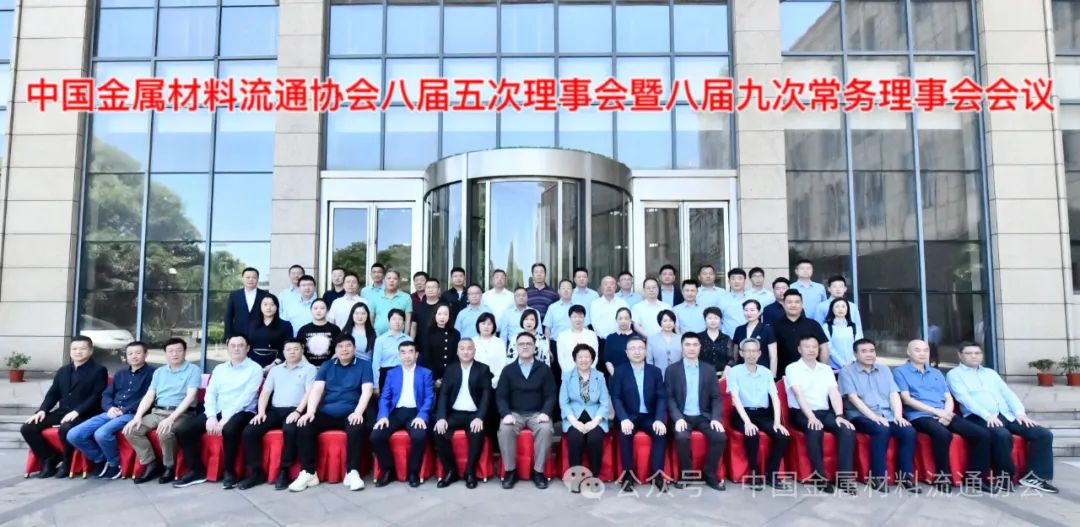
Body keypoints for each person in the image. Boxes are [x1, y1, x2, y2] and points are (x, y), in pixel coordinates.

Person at [947, 342, 1058, 493]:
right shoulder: (954, 375)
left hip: (1006, 414)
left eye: (977, 353)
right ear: (960, 355)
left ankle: (1035, 477)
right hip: (978, 416)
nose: (974, 356)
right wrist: (987, 415)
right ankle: (1004, 478)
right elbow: (964, 399)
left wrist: (1020, 413)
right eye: (969, 353)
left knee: (1043, 434)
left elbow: (1008, 394)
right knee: (1002, 435)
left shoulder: (990, 373)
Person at [894, 339, 994, 494]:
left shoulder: (936, 373)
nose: (922, 354)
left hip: (944, 413)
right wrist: (937, 412)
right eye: (917, 350)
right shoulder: (900, 372)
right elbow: (907, 399)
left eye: (925, 350)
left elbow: (948, 397)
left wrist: (947, 413)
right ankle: (942, 477)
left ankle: (976, 477)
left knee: (981, 434)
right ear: (908, 352)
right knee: (943, 434)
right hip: (919, 415)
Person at [286, 334, 375, 492]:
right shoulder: (327, 365)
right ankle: (309, 472)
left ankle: (352, 472)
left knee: (357, 426)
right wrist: (310, 411)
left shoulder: (364, 365)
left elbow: (367, 391)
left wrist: (358, 412)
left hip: (351, 412)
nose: (344, 349)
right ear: (335, 350)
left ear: (354, 348)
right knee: (304, 425)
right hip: (327, 412)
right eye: (340, 346)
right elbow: (317, 389)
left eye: (348, 346)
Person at [172, 335, 262, 488]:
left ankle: (230, 471)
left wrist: (226, 418)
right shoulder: (219, 369)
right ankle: (196, 471)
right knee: (184, 430)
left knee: (229, 429)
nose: (236, 348)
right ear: (227, 348)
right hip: (219, 409)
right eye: (233, 345)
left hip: (243, 411)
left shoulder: (255, 369)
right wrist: (211, 416)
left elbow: (246, 397)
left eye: (241, 345)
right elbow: (211, 393)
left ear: (248, 348)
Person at [838, 339, 919, 493]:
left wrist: (898, 415)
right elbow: (853, 398)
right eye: (864, 351)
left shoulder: (884, 369)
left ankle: (905, 478)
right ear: (855, 354)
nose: (869, 354)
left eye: (872, 351)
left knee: (908, 431)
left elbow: (893, 394)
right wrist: (874, 417)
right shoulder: (847, 372)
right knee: (881, 430)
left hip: (887, 414)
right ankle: (877, 477)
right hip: (861, 416)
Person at [22, 336, 107, 479]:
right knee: (28, 427)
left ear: (91, 351)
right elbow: (53, 393)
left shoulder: (99, 370)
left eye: (82, 349)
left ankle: (67, 464)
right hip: (63, 411)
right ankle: (49, 459)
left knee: (66, 428)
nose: (78, 352)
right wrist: (42, 410)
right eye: (74, 349)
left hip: (86, 413)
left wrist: (77, 411)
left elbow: (97, 395)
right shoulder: (63, 370)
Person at [67, 341, 154, 480]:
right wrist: (109, 407)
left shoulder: (153, 373)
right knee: (74, 434)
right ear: (126, 356)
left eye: (138, 353)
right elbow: (107, 394)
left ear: (146, 354)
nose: (134, 356)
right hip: (111, 412)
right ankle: (100, 459)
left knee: (101, 434)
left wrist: (124, 410)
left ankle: (114, 464)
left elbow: (147, 398)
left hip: (132, 414)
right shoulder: (120, 373)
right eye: (130, 353)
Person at [238, 339, 317, 490]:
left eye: (296, 349)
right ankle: (256, 473)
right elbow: (265, 392)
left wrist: (298, 411)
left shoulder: (310, 369)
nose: (292, 352)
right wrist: (261, 412)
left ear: (302, 350)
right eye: (289, 349)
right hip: (274, 410)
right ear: (283, 352)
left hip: (296, 410)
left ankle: (284, 471)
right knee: (250, 431)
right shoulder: (275, 370)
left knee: (290, 430)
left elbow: (310, 392)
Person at [123, 338, 202, 484]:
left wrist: (171, 418)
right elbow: (149, 395)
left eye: (178, 350)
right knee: (131, 430)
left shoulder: (193, 370)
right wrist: (138, 416)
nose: (175, 354)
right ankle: (151, 463)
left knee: (165, 432)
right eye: (170, 351)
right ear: (165, 354)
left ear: (185, 352)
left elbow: (190, 397)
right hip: (157, 412)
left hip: (182, 413)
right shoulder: (159, 372)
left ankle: (169, 467)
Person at [784, 335, 856, 494]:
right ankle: (819, 476)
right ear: (799, 349)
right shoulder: (792, 368)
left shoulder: (826, 369)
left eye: (814, 347)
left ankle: (844, 478)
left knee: (847, 430)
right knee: (815, 429)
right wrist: (811, 416)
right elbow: (798, 394)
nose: (811, 350)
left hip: (824, 412)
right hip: (801, 412)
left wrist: (839, 415)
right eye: (807, 347)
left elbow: (834, 392)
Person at [726, 338, 790, 490]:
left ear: (760, 353)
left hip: (763, 414)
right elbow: (735, 398)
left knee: (782, 436)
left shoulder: (766, 372)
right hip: (741, 413)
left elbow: (775, 397)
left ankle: (771, 474)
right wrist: (747, 422)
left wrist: (777, 422)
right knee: (752, 434)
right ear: (741, 353)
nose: (751, 354)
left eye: (754, 351)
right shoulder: (734, 372)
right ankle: (754, 473)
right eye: (747, 351)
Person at [496, 332, 557, 489]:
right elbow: (501, 396)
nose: (525, 346)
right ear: (516, 347)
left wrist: (545, 412)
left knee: (545, 430)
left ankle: (538, 472)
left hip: (537, 414)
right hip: (514, 414)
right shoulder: (508, 370)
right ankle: (510, 471)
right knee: (505, 430)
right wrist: (506, 414)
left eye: (528, 344)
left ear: (534, 347)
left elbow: (551, 395)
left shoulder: (543, 369)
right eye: (521, 344)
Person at [666, 333, 726, 492]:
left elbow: (716, 397)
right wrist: (678, 418)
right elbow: (669, 397)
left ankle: (709, 474)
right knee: (681, 437)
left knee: (720, 437)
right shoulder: (672, 370)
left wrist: (715, 418)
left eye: (695, 345)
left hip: (703, 416)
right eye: (687, 344)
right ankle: (687, 474)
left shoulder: (709, 369)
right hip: (683, 416)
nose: (691, 348)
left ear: (700, 347)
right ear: (681, 347)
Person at [371, 342, 435, 487]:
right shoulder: (392, 373)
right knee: (376, 436)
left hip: (416, 412)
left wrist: (422, 416)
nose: (407, 356)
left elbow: (429, 398)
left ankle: (413, 472)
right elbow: (385, 397)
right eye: (403, 352)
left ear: (416, 355)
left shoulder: (425, 373)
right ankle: (388, 470)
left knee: (419, 436)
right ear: (399, 355)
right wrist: (383, 416)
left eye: (410, 351)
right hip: (395, 412)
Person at [610, 336, 668, 492]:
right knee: (625, 433)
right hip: (629, 416)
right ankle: (628, 476)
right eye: (633, 348)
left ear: (646, 351)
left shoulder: (655, 371)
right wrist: (623, 418)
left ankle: (657, 476)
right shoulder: (620, 371)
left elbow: (661, 397)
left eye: (640, 348)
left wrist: (659, 419)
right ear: (626, 352)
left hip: (649, 416)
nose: (637, 352)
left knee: (660, 433)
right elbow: (616, 397)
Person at [433, 339, 493, 489]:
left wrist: (480, 417)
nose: (466, 352)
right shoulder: (451, 369)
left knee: (477, 432)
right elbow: (444, 394)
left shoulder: (483, 369)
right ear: (457, 351)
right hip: (455, 413)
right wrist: (441, 417)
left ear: (474, 351)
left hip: (474, 414)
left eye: (469, 348)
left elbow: (486, 396)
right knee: (438, 431)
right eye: (462, 348)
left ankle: (470, 472)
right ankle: (451, 471)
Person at [559, 344, 610, 489]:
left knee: (595, 439)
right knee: (575, 438)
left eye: (587, 357)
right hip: (574, 416)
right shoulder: (567, 376)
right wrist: (574, 422)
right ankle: (575, 478)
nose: (583, 360)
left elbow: (604, 402)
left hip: (595, 417)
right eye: (580, 357)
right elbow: (563, 402)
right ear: (575, 359)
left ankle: (594, 477)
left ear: (592, 359)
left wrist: (595, 422)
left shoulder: (599, 376)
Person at [772, 289, 830, 375]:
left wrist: (822, 370)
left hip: (811, 373)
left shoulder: (813, 324)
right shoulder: (774, 326)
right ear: (783, 304)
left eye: (797, 302)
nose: (793, 305)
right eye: (789, 302)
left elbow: (824, 348)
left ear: (802, 304)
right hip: (784, 374)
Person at [247, 294, 294, 371]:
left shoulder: (286, 325)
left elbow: (288, 347)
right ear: (260, 306)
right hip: (253, 366)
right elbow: (247, 346)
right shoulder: (251, 325)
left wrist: (274, 364)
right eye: (265, 304)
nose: (268, 307)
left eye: (272, 304)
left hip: (277, 366)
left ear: (277, 307)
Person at [731, 300, 777, 372]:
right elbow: (735, 355)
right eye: (746, 310)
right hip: (742, 370)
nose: (749, 313)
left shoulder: (767, 329)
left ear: (759, 312)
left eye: (752, 310)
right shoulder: (739, 329)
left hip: (762, 370)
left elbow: (773, 357)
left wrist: (772, 376)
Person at [372, 309, 413, 391]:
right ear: (389, 321)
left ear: (404, 322)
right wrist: (376, 384)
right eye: (394, 319)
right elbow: (376, 363)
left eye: (400, 319)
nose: (397, 322)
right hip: (386, 374)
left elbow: (412, 361)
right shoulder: (380, 340)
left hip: (404, 373)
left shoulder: (409, 339)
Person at [225, 267, 268, 339]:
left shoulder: (265, 295)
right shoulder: (234, 295)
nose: (250, 280)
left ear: (258, 279)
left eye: (254, 277)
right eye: (248, 277)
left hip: (260, 335)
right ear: (242, 279)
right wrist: (228, 336)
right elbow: (229, 316)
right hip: (239, 336)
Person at [296, 298, 341, 367]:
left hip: (330, 367)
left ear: (327, 311)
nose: (318, 311)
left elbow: (340, 349)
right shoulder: (303, 329)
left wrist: (327, 366)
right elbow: (298, 350)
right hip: (307, 367)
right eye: (315, 308)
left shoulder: (335, 329)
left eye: (322, 308)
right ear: (311, 310)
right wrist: (309, 367)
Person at [423, 303, 461, 384]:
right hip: (434, 376)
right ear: (435, 315)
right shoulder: (429, 332)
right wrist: (434, 378)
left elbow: (457, 357)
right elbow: (427, 357)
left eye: (445, 314)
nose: (442, 317)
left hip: (452, 375)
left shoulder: (455, 333)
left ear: (449, 316)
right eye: (439, 314)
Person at [556, 305, 599, 375]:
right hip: (569, 373)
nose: (577, 319)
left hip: (589, 374)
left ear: (584, 318)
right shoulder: (562, 336)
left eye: (580, 316)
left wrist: (587, 372)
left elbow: (595, 356)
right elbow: (561, 358)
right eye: (574, 317)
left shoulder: (592, 335)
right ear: (570, 318)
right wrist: (569, 374)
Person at [368, 270, 413, 336]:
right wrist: (372, 335)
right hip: (378, 336)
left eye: (395, 278)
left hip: (398, 337)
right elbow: (371, 318)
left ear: (399, 281)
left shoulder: (406, 297)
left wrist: (405, 336)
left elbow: (408, 320)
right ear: (384, 281)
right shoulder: (375, 297)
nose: (391, 281)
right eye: (389, 278)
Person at [822, 298, 862, 370]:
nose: (840, 309)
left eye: (843, 306)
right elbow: (829, 348)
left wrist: (852, 362)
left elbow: (859, 346)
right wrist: (842, 364)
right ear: (832, 309)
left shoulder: (854, 327)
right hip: (834, 367)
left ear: (847, 309)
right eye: (837, 306)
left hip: (854, 366)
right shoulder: (826, 327)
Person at [543, 279, 585, 344]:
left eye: (568, 288)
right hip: (556, 342)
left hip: (576, 343)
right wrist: (547, 347)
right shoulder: (552, 307)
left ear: (573, 291)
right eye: (563, 288)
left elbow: (585, 326)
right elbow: (547, 329)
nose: (566, 290)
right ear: (559, 291)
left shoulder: (579, 306)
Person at [602, 308, 641, 376]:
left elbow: (641, 359)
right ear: (616, 320)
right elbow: (608, 361)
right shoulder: (610, 338)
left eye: (626, 318)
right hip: (615, 376)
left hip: (635, 376)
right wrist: (616, 376)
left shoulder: (637, 338)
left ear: (630, 320)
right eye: (620, 318)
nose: (623, 321)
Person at [474, 318, 511, 389]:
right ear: (478, 325)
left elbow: (503, 363)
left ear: (494, 326)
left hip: (496, 382)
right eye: (483, 323)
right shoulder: (472, 341)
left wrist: (494, 380)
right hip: (474, 382)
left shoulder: (499, 342)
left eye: (489, 324)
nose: (486, 326)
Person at [589, 275, 628, 341]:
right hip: (602, 340)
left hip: (620, 338)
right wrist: (608, 337)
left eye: (611, 284)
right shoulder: (595, 304)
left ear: (615, 287)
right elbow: (595, 324)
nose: (609, 286)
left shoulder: (623, 303)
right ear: (601, 287)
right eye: (605, 284)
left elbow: (627, 321)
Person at [646, 310, 681, 376]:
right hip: (659, 375)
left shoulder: (680, 338)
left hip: (677, 375)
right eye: (665, 321)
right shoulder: (652, 339)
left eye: (671, 320)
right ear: (660, 322)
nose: (668, 323)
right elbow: (649, 361)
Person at [718, 268, 751, 337]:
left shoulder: (752, 298)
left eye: (740, 278)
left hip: (750, 339)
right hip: (729, 339)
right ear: (729, 281)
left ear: (745, 281)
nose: (736, 281)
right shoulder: (722, 300)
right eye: (733, 279)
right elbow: (718, 320)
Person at [411, 277, 443, 343]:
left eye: (433, 287)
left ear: (439, 290)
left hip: (440, 343)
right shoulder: (418, 307)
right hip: (421, 344)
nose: (430, 290)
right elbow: (414, 326)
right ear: (425, 290)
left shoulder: (444, 306)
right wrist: (411, 342)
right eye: (428, 287)